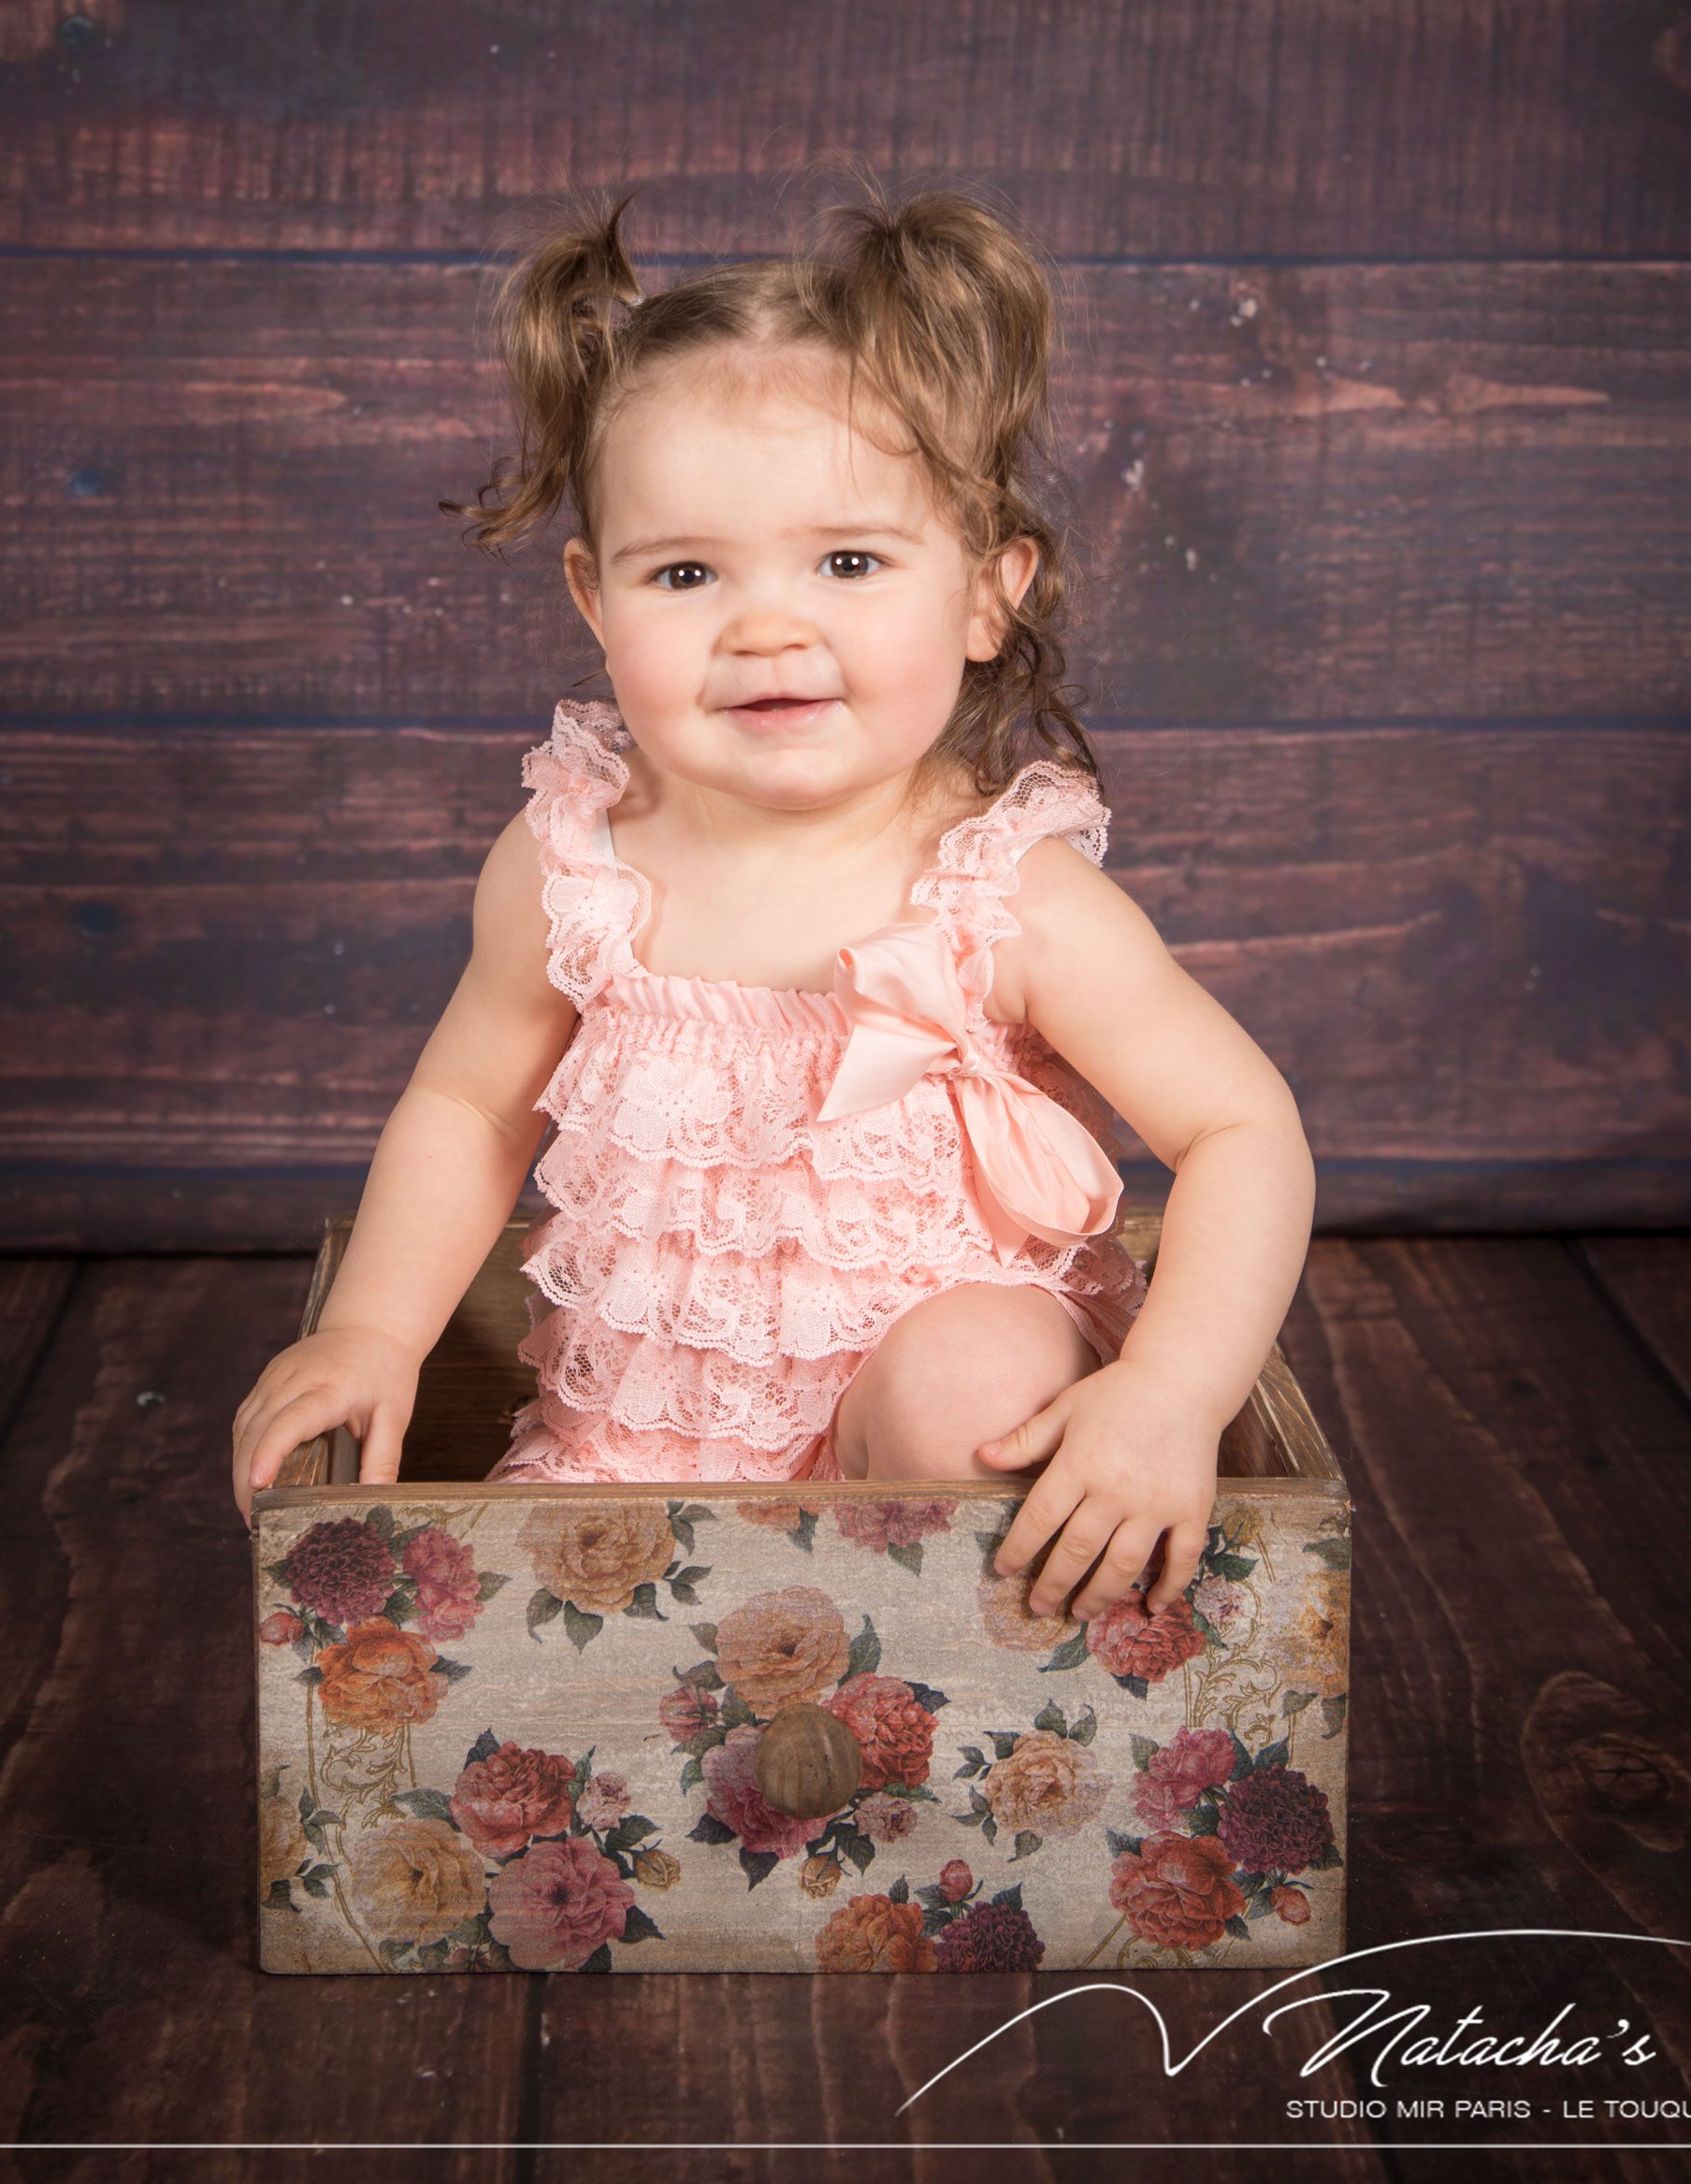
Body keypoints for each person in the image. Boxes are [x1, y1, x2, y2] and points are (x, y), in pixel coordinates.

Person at [232, 189, 1314, 1626]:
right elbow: (470, 1110)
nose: (766, 627)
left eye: (850, 562)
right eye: (686, 572)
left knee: (972, 1379)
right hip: (642, 1445)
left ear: (988, 596)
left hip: (946, 1461)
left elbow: (1245, 1130)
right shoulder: (574, 869)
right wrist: (375, 1329)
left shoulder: (1008, 898)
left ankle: (963, 1659)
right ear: (596, 604)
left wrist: (1172, 1397)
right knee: (511, 1628)